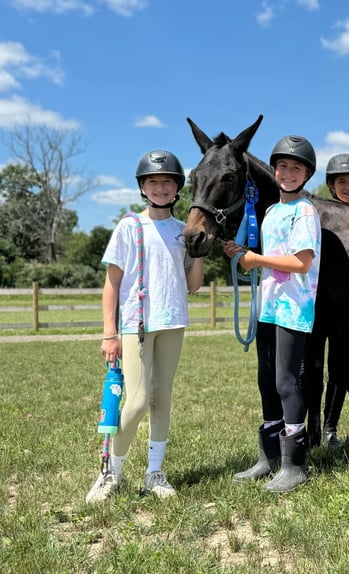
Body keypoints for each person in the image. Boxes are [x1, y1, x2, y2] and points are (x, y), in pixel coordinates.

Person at [86, 150, 206, 502]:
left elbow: (193, 284)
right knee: (135, 401)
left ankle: (155, 472)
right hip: (136, 323)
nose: (160, 187)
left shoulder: (182, 231)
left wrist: (199, 253)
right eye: (153, 181)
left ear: (177, 188)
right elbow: (112, 284)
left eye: (167, 181)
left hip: (173, 322)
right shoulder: (129, 226)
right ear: (143, 186)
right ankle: (111, 472)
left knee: (161, 398)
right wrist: (109, 333)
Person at [223, 135, 321, 493]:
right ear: (274, 170)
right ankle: (270, 456)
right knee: (266, 380)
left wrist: (257, 259)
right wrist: (242, 255)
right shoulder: (270, 212)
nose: (288, 172)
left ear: (307, 174)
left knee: (285, 382)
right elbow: (272, 258)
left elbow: (301, 261)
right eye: (283, 166)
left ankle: (295, 465)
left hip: (294, 309)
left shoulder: (305, 211)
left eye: (297, 167)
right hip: (269, 306)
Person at [302, 154, 349, 448]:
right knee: (312, 369)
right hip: (319, 307)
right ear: (331, 186)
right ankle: (313, 428)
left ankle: (330, 427)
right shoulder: (317, 216)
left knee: (343, 369)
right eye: (342, 181)